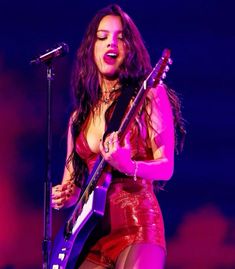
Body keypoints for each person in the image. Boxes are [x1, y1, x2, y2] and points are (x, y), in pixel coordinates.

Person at [51, 4, 185, 269]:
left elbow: (166, 167)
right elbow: (75, 188)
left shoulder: (148, 95)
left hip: (138, 226)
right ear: (91, 48)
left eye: (120, 37)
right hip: (90, 237)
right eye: (102, 37)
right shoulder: (78, 118)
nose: (111, 43)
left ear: (130, 48)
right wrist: (65, 195)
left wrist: (129, 165)